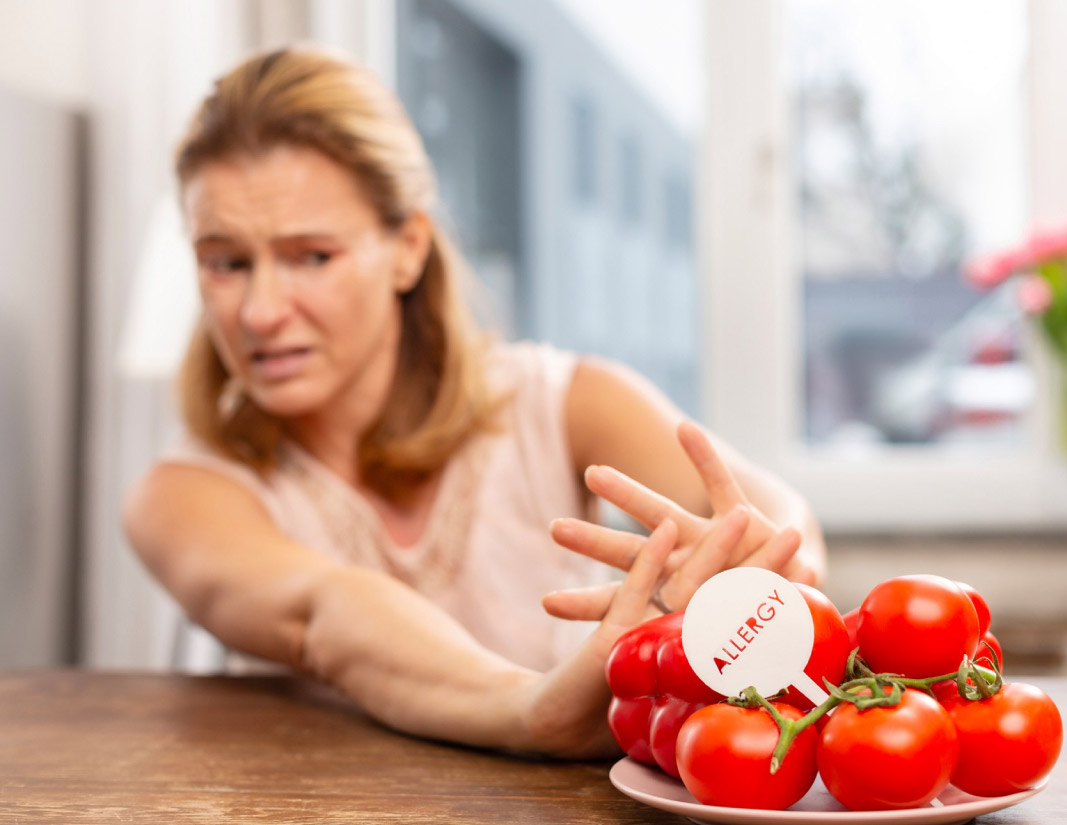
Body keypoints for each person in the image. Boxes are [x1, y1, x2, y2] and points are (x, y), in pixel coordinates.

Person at [123, 46, 827, 758]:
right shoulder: (180, 495)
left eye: (312, 256)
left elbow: (777, 513)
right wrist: (531, 709)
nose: (261, 311)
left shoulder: (558, 400)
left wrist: (768, 559)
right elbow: (322, 612)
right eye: (227, 262)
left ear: (407, 246)